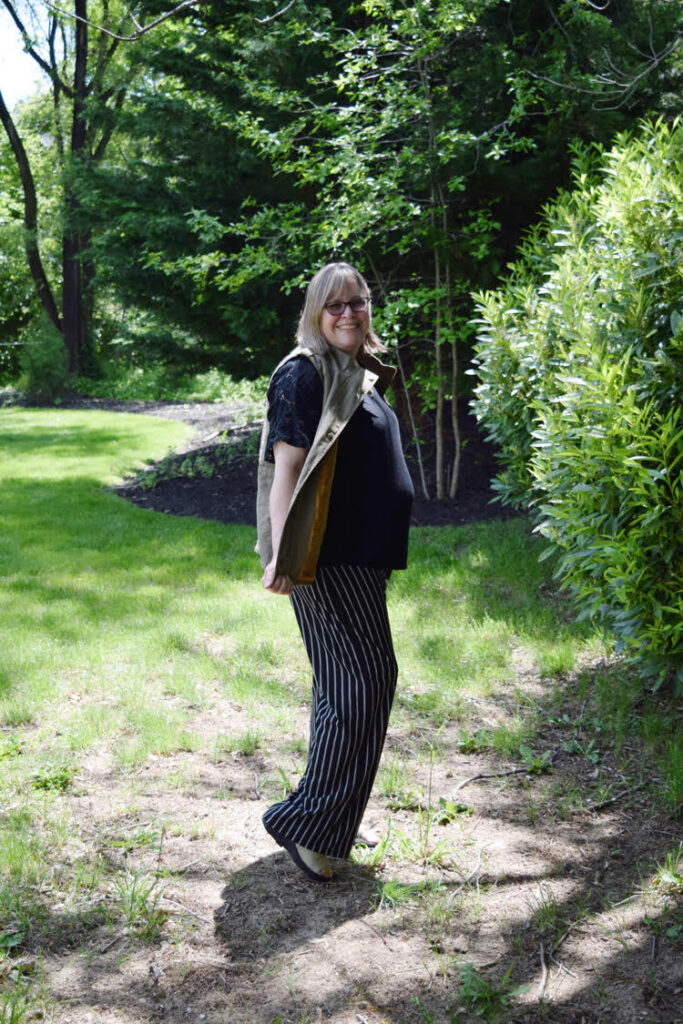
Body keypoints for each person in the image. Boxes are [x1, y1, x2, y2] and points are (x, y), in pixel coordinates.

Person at [256, 261, 414, 882]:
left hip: (362, 555)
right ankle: (310, 822)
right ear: (315, 314)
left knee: (342, 686)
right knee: (367, 680)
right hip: (327, 557)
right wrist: (284, 556)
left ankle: (328, 818)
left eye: (359, 301)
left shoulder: (358, 371)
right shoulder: (304, 372)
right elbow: (285, 472)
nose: (349, 312)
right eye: (335, 305)